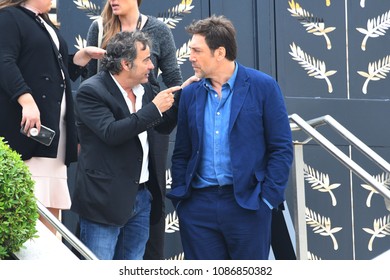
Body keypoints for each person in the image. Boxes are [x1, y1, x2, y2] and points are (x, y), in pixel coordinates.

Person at [167, 15, 294, 260]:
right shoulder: (191, 93)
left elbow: (281, 148)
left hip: (248, 206)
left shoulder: (263, 86)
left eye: (196, 50)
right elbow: (182, 151)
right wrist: (183, 201)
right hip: (198, 208)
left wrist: (267, 200)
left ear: (220, 52)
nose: (190, 56)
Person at [81, 0, 183, 260]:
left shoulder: (148, 88)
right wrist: (154, 109)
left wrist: (182, 97)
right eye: (147, 60)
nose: (152, 66)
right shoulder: (94, 89)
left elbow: (172, 87)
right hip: (106, 196)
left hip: (142, 194)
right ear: (126, 64)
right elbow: (111, 130)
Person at [0, 0, 105, 235]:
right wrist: (26, 100)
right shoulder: (8, 17)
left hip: (53, 135)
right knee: (29, 207)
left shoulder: (43, 21)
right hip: (28, 134)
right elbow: (3, 61)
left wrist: (81, 56)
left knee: (53, 210)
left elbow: (49, 70)